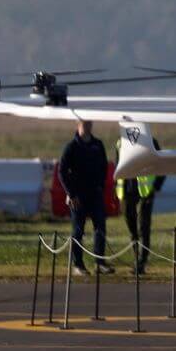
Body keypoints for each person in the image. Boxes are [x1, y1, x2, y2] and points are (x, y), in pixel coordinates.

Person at [58, 119, 112, 276]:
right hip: (78, 197)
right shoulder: (72, 147)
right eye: (84, 124)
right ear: (78, 125)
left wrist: (100, 186)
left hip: (95, 194)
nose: (87, 126)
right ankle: (78, 265)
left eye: (89, 123)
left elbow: (104, 166)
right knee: (78, 231)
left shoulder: (98, 145)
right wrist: (71, 193)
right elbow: (62, 171)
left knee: (100, 228)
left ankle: (99, 263)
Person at [114, 141, 165, 277]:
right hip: (127, 190)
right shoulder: (120, 142)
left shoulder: (151, 141)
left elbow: (161, 165)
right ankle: (137, 257)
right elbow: (118, 164)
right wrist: (116, 187)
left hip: (146, 190)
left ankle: (141, 262)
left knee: (144, 226)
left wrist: (156, 186)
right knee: (132, 228)